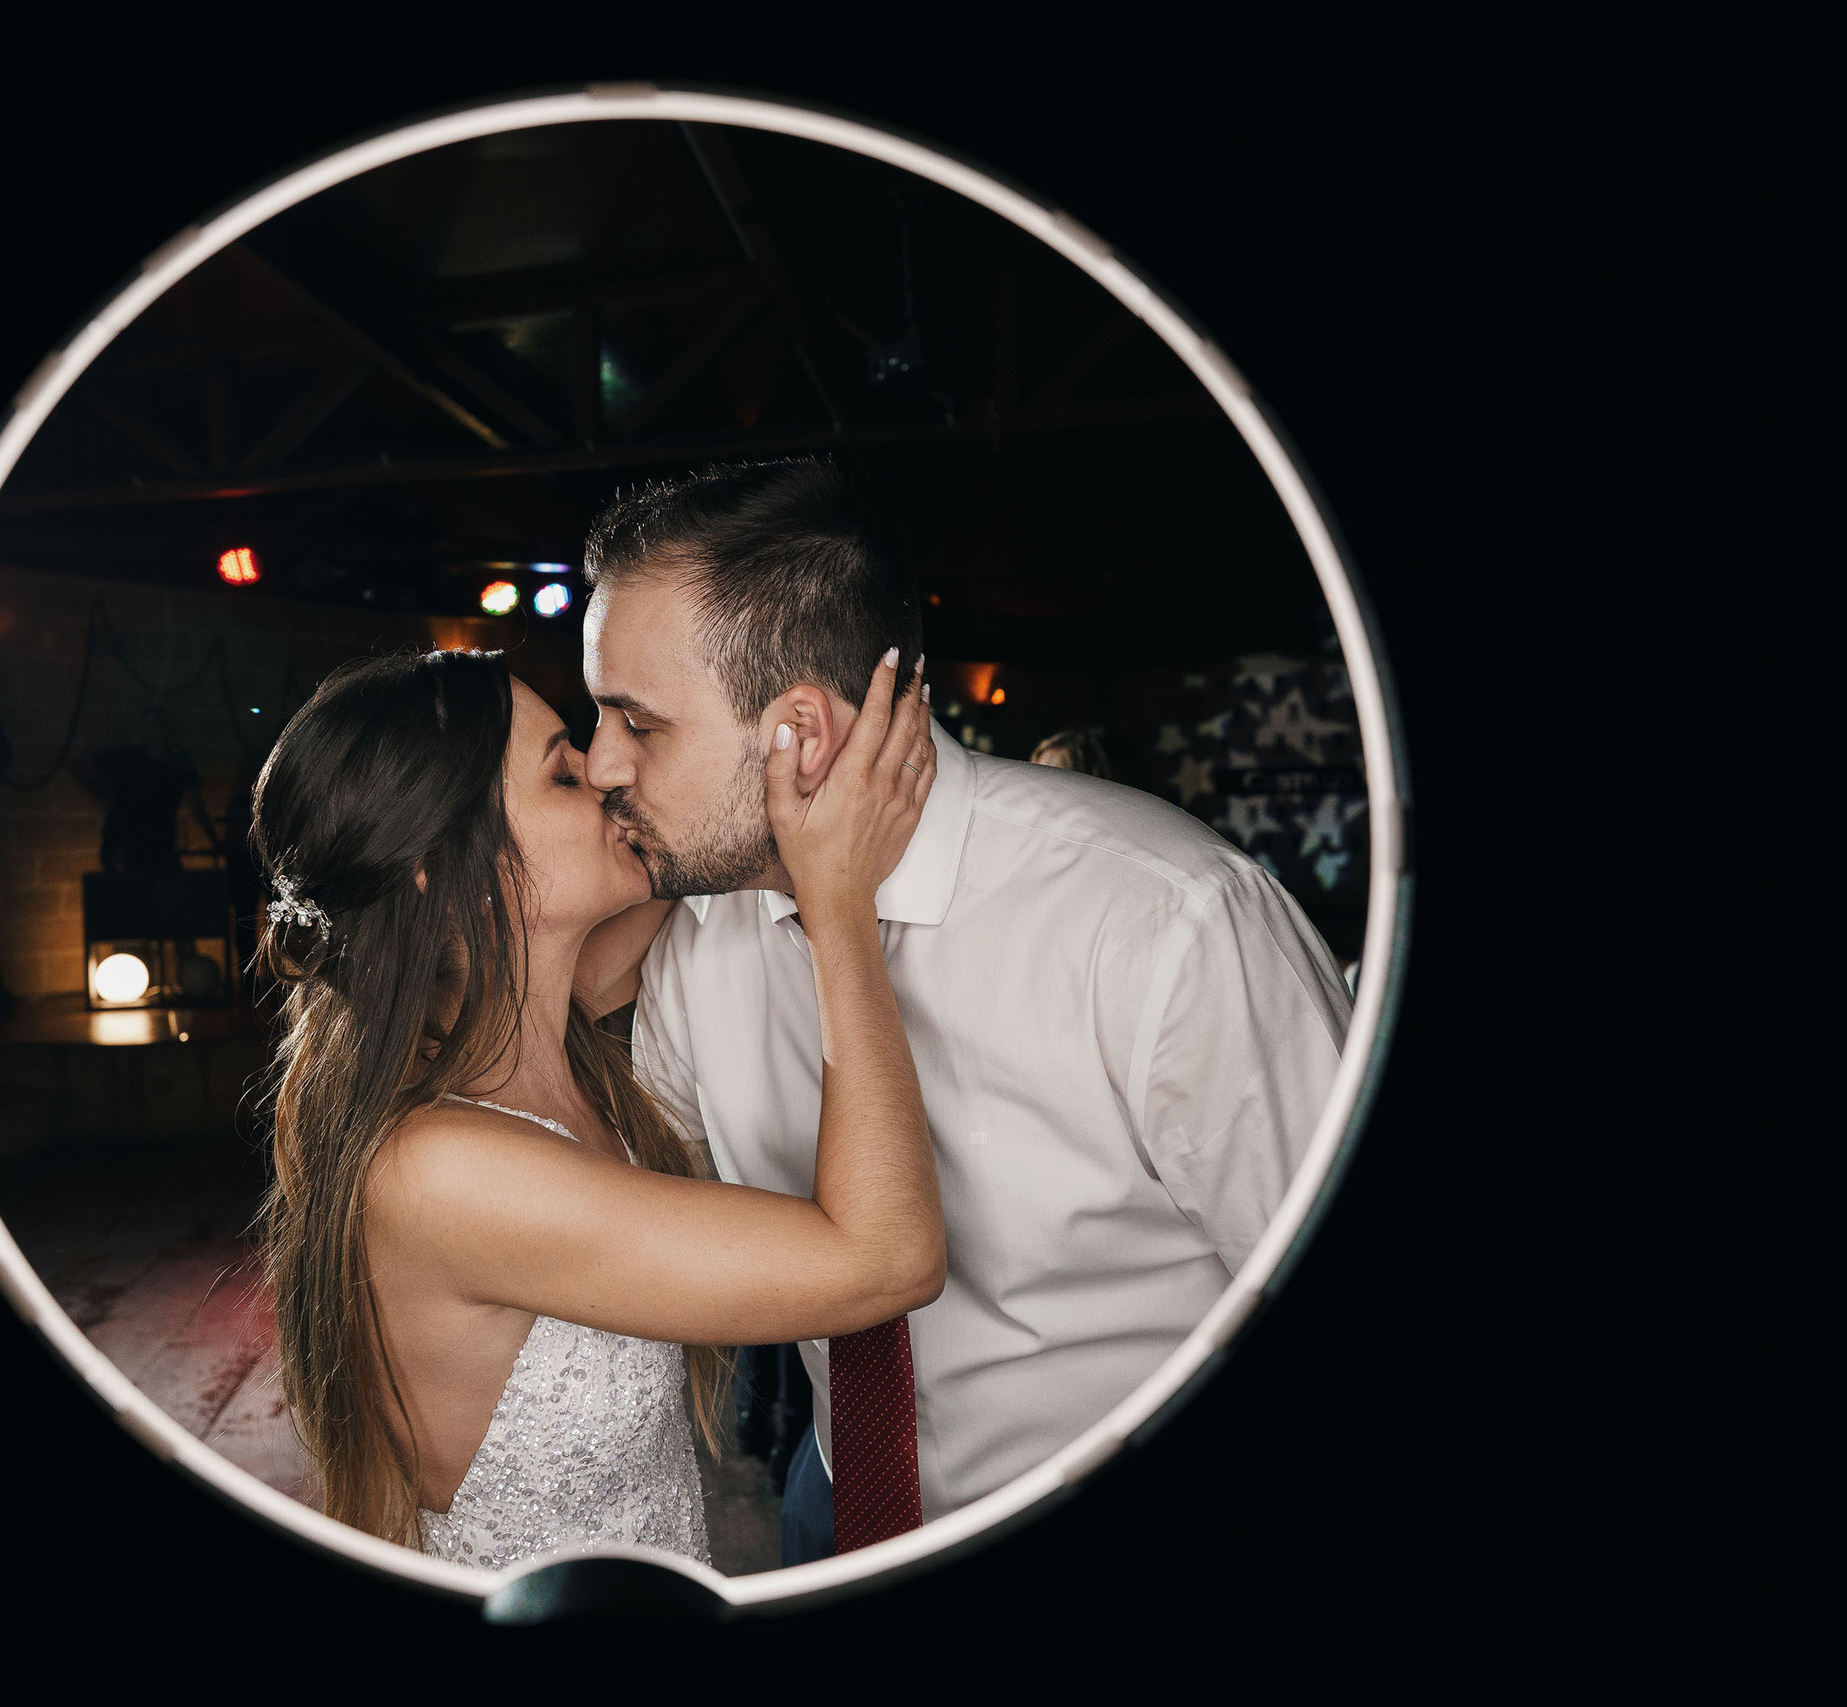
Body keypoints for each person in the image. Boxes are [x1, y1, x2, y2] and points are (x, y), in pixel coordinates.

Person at [578, 458, 1354, 1563]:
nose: (601, 761)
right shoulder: (704, 936)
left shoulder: (1164, 921)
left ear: (799, 733)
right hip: (835, 1505)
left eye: (635, 723)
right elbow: (617, 1188)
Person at [245, 643, 942, 1571]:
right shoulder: (445, 1172)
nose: (611, 778)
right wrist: (840, 901)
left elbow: (692, 847)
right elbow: (884, 1259)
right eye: (565, 772)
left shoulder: (539, 1025)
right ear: (444, 864)